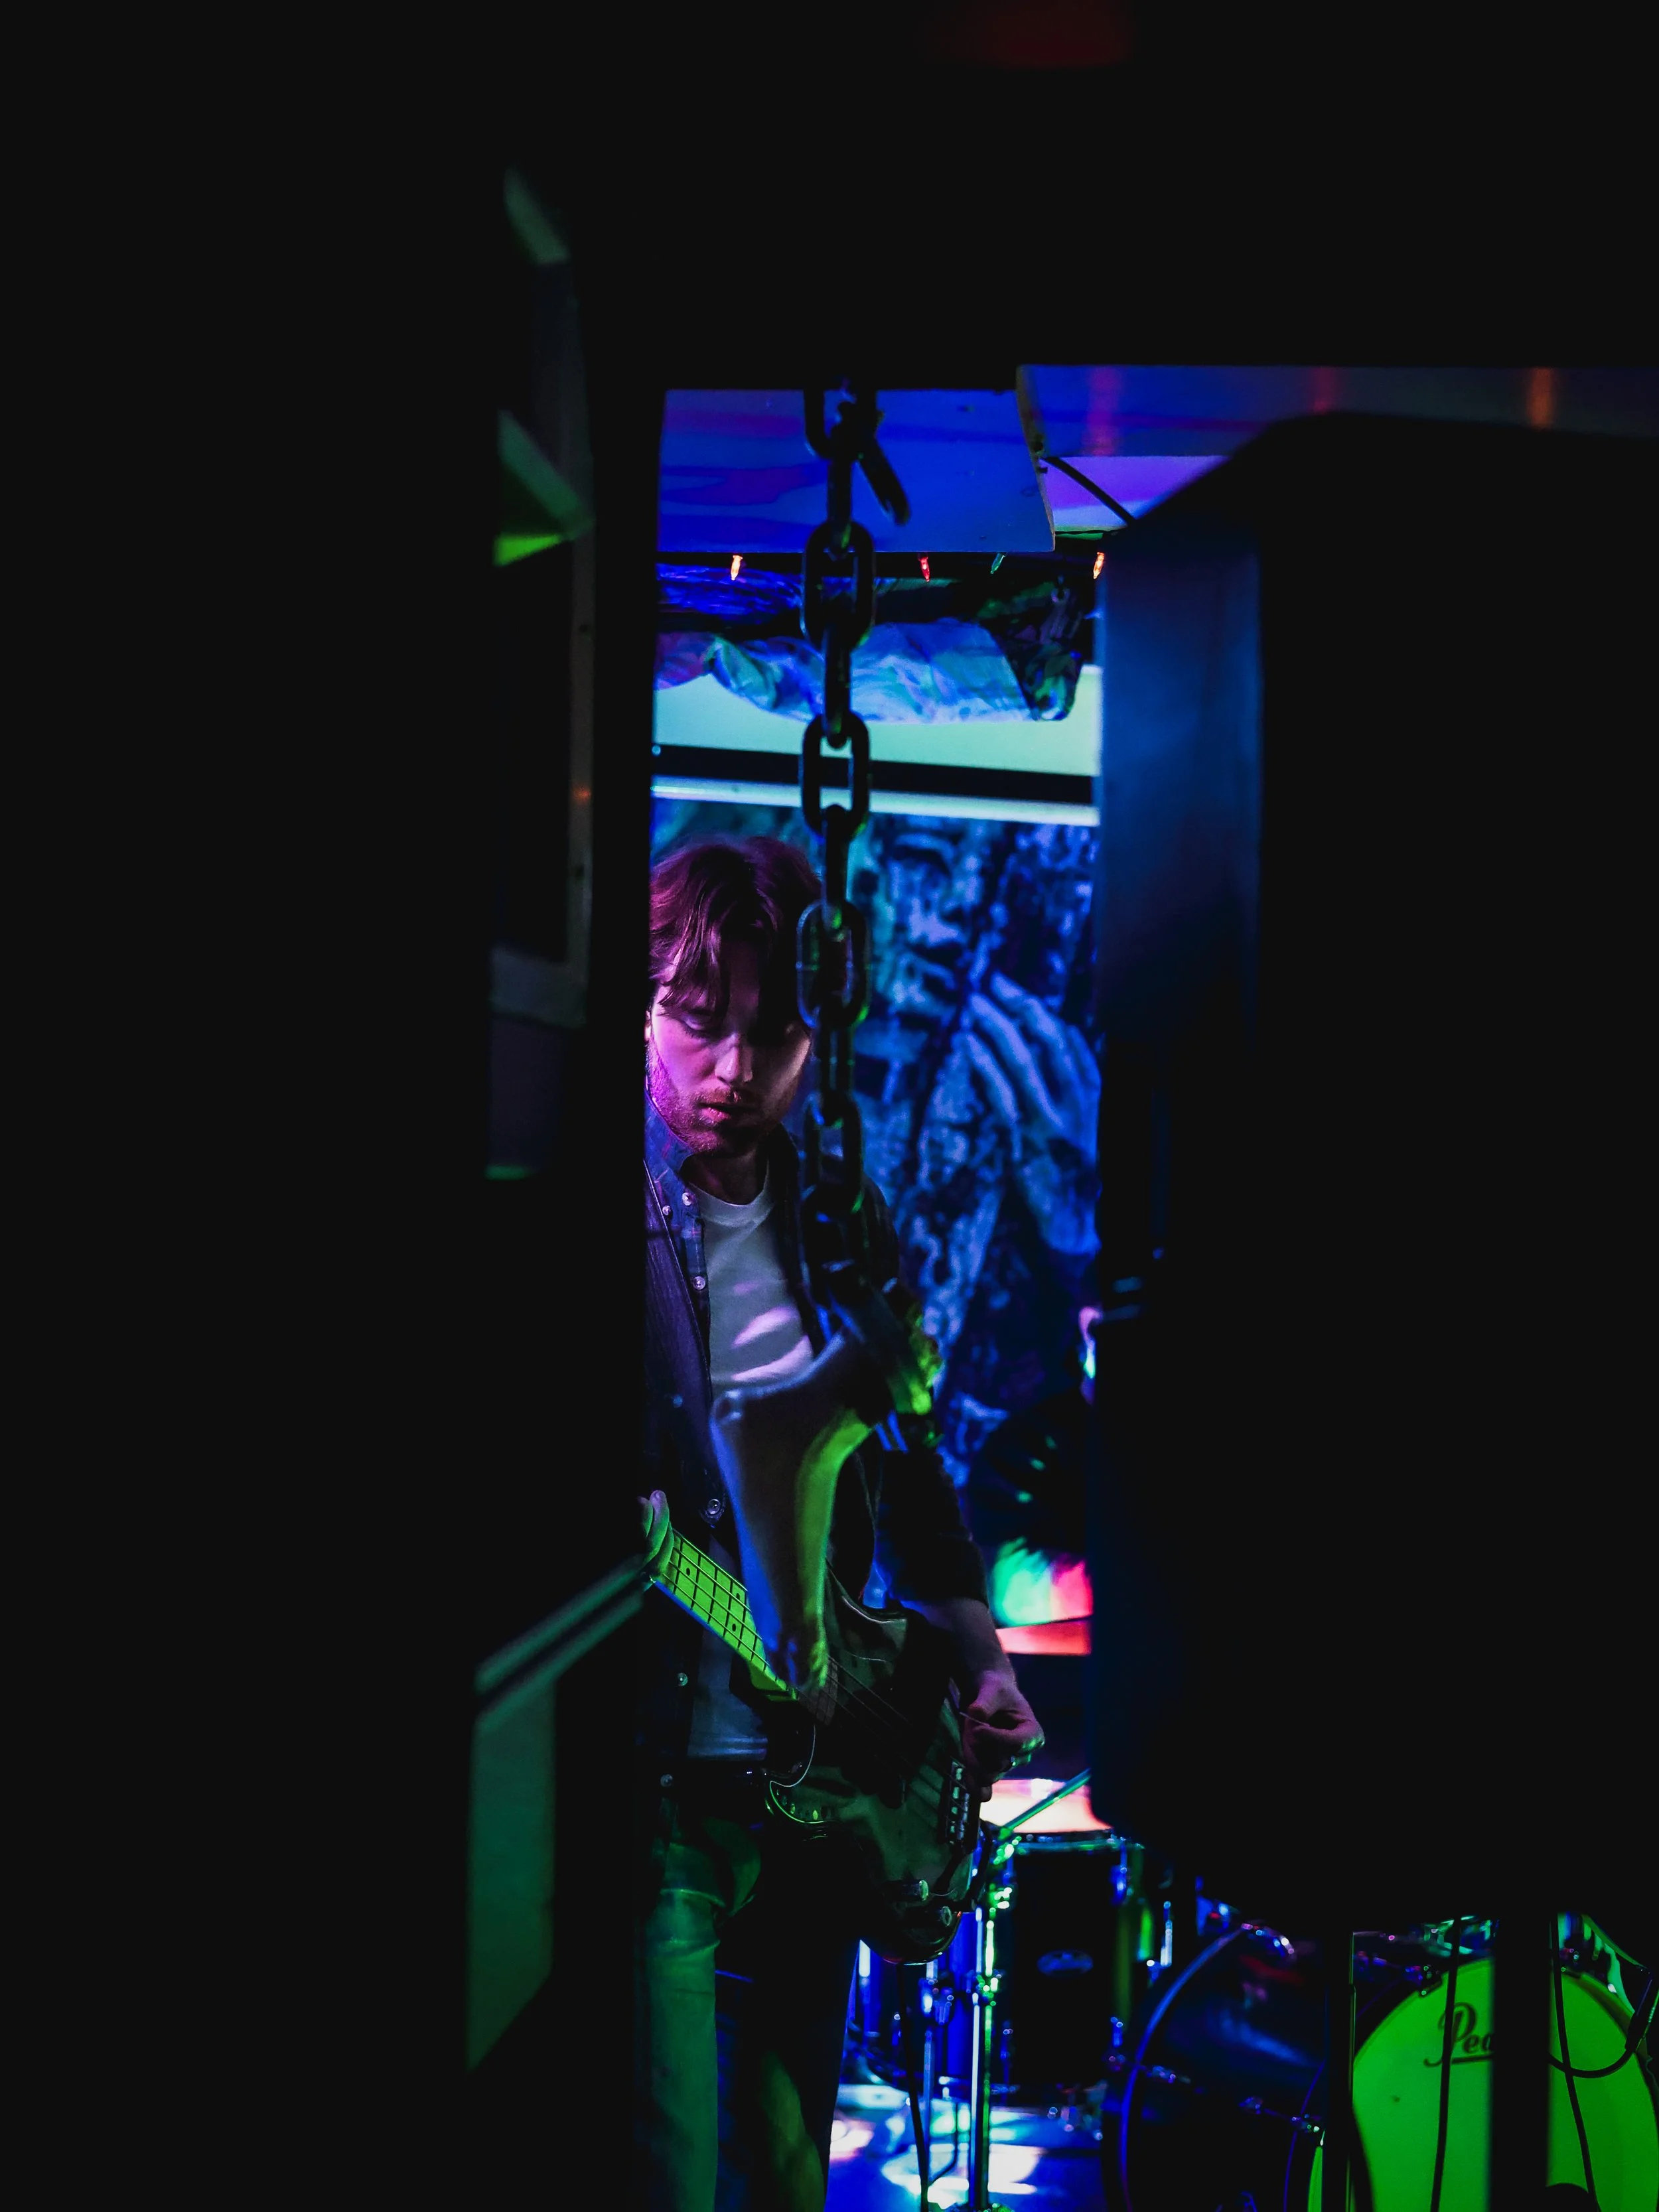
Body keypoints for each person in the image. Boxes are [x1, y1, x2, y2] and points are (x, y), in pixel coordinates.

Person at [637, 836, 1045, 2212]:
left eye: (771, 1029)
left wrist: (980, 1658)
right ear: (639, 1002)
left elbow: (917, 1476)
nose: (733, 1070)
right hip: (658, 1799)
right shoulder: (585, 1208)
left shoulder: (837, 1211)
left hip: (819, 1797)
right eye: (700, 1020)